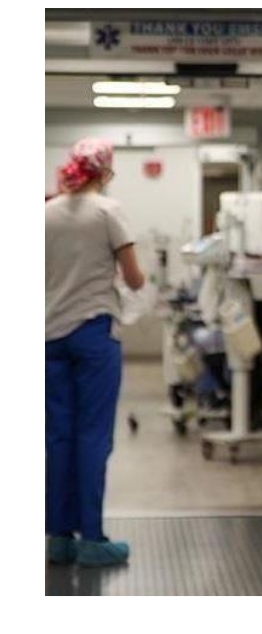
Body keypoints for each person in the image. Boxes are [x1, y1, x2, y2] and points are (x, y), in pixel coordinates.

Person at [46, 138, 145, 567]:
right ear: (104, 173)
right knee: (92, 436)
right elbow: (135, 279)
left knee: (56, 437)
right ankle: (92, 539)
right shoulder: (107, 211)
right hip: (92, 334)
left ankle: (58, 538)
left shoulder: (43, 213)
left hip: (47, 337)